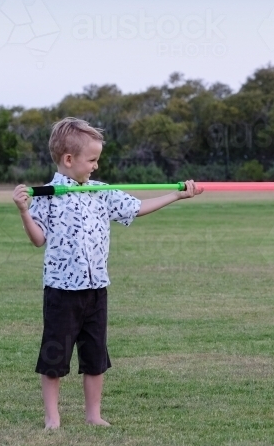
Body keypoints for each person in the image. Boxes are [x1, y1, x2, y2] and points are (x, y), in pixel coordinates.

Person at [11, 117, 200, 430]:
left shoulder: (102, 191)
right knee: (54, 357)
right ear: (68, 160)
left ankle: (93, 414)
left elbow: (135, 208)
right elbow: (37, 239)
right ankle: (52, 418)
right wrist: (23, 211)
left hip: (96, 288)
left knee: (95, 356)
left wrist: (177, 195)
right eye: (92, 160)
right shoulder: (46, 195)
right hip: (61, 291)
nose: (96, 166)